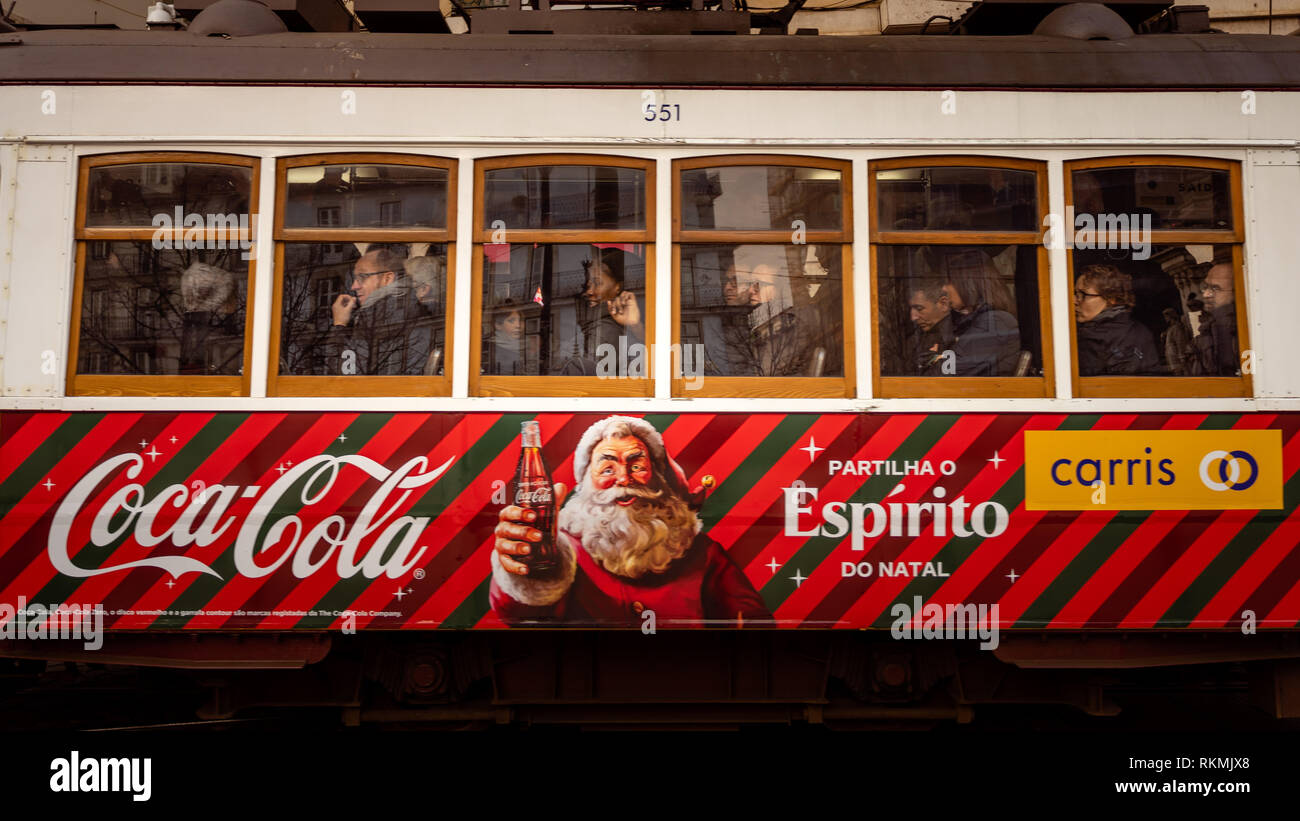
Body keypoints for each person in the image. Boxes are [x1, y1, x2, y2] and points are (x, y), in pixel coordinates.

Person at [489, 415, 772, 626]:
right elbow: (517, 614)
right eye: (607, 467)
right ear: (586, 481)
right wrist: (527, 567)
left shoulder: (700, 550)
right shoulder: (563, 548)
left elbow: (753, 621)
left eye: (637, 466)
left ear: (658, 478)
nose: (624, 479)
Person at [327, 246, 430, 375]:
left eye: (362, 277)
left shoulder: (378, 314)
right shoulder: (402, 307)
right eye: (354, 278)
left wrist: (339, 325)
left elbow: (341, 374)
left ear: (387, 279)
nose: (354, 286)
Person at [1073, 263, 1160, 376]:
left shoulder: (1095, 338)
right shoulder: (1138, 331)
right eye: (1075, 293)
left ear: (1111, 299)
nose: (1074, 300)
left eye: (1083, 294)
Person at [941, 258, 1021, 376]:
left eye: (949, 281)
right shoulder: (978, 320)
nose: (944, 288)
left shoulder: (996, 322)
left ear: (969, 284)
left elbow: (949, 371)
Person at [1194, 263, 1239, 376]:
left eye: (1215, 288)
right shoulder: (1211, 322)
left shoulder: (1237, 325)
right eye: (1205, 287)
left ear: (1235, 292)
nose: (1206, 294)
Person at [907, 279, 954, 376]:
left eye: (919, 308)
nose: (913, 317)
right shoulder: (918, 337)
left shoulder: (959, 336)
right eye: (911, 309)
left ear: (943, 304)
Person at [488, 301, 526, 375]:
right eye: (511, 321)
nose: (518, 325)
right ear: (498, 325)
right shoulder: (491, 350)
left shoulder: (523, 347)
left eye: (520, 320)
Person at [1160, 307, 1196, 376]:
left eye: (1166, 316)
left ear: (1170, 316)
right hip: (1173, 359)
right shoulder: (1171, 328)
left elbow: (1180, 343)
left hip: (1177, 359)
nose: (1165, 318)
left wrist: (1182, 357)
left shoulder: (1177, 327)